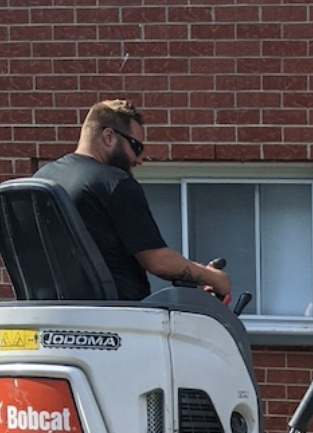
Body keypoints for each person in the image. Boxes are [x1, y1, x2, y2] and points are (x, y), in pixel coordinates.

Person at [34, 100, 230, 305]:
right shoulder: (114, 183)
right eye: (136, 147)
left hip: (48, 318)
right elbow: (158, 262)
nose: (140, 160)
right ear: (109, 136)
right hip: (117, 322)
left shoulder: (40, 180)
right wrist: (214, 278)